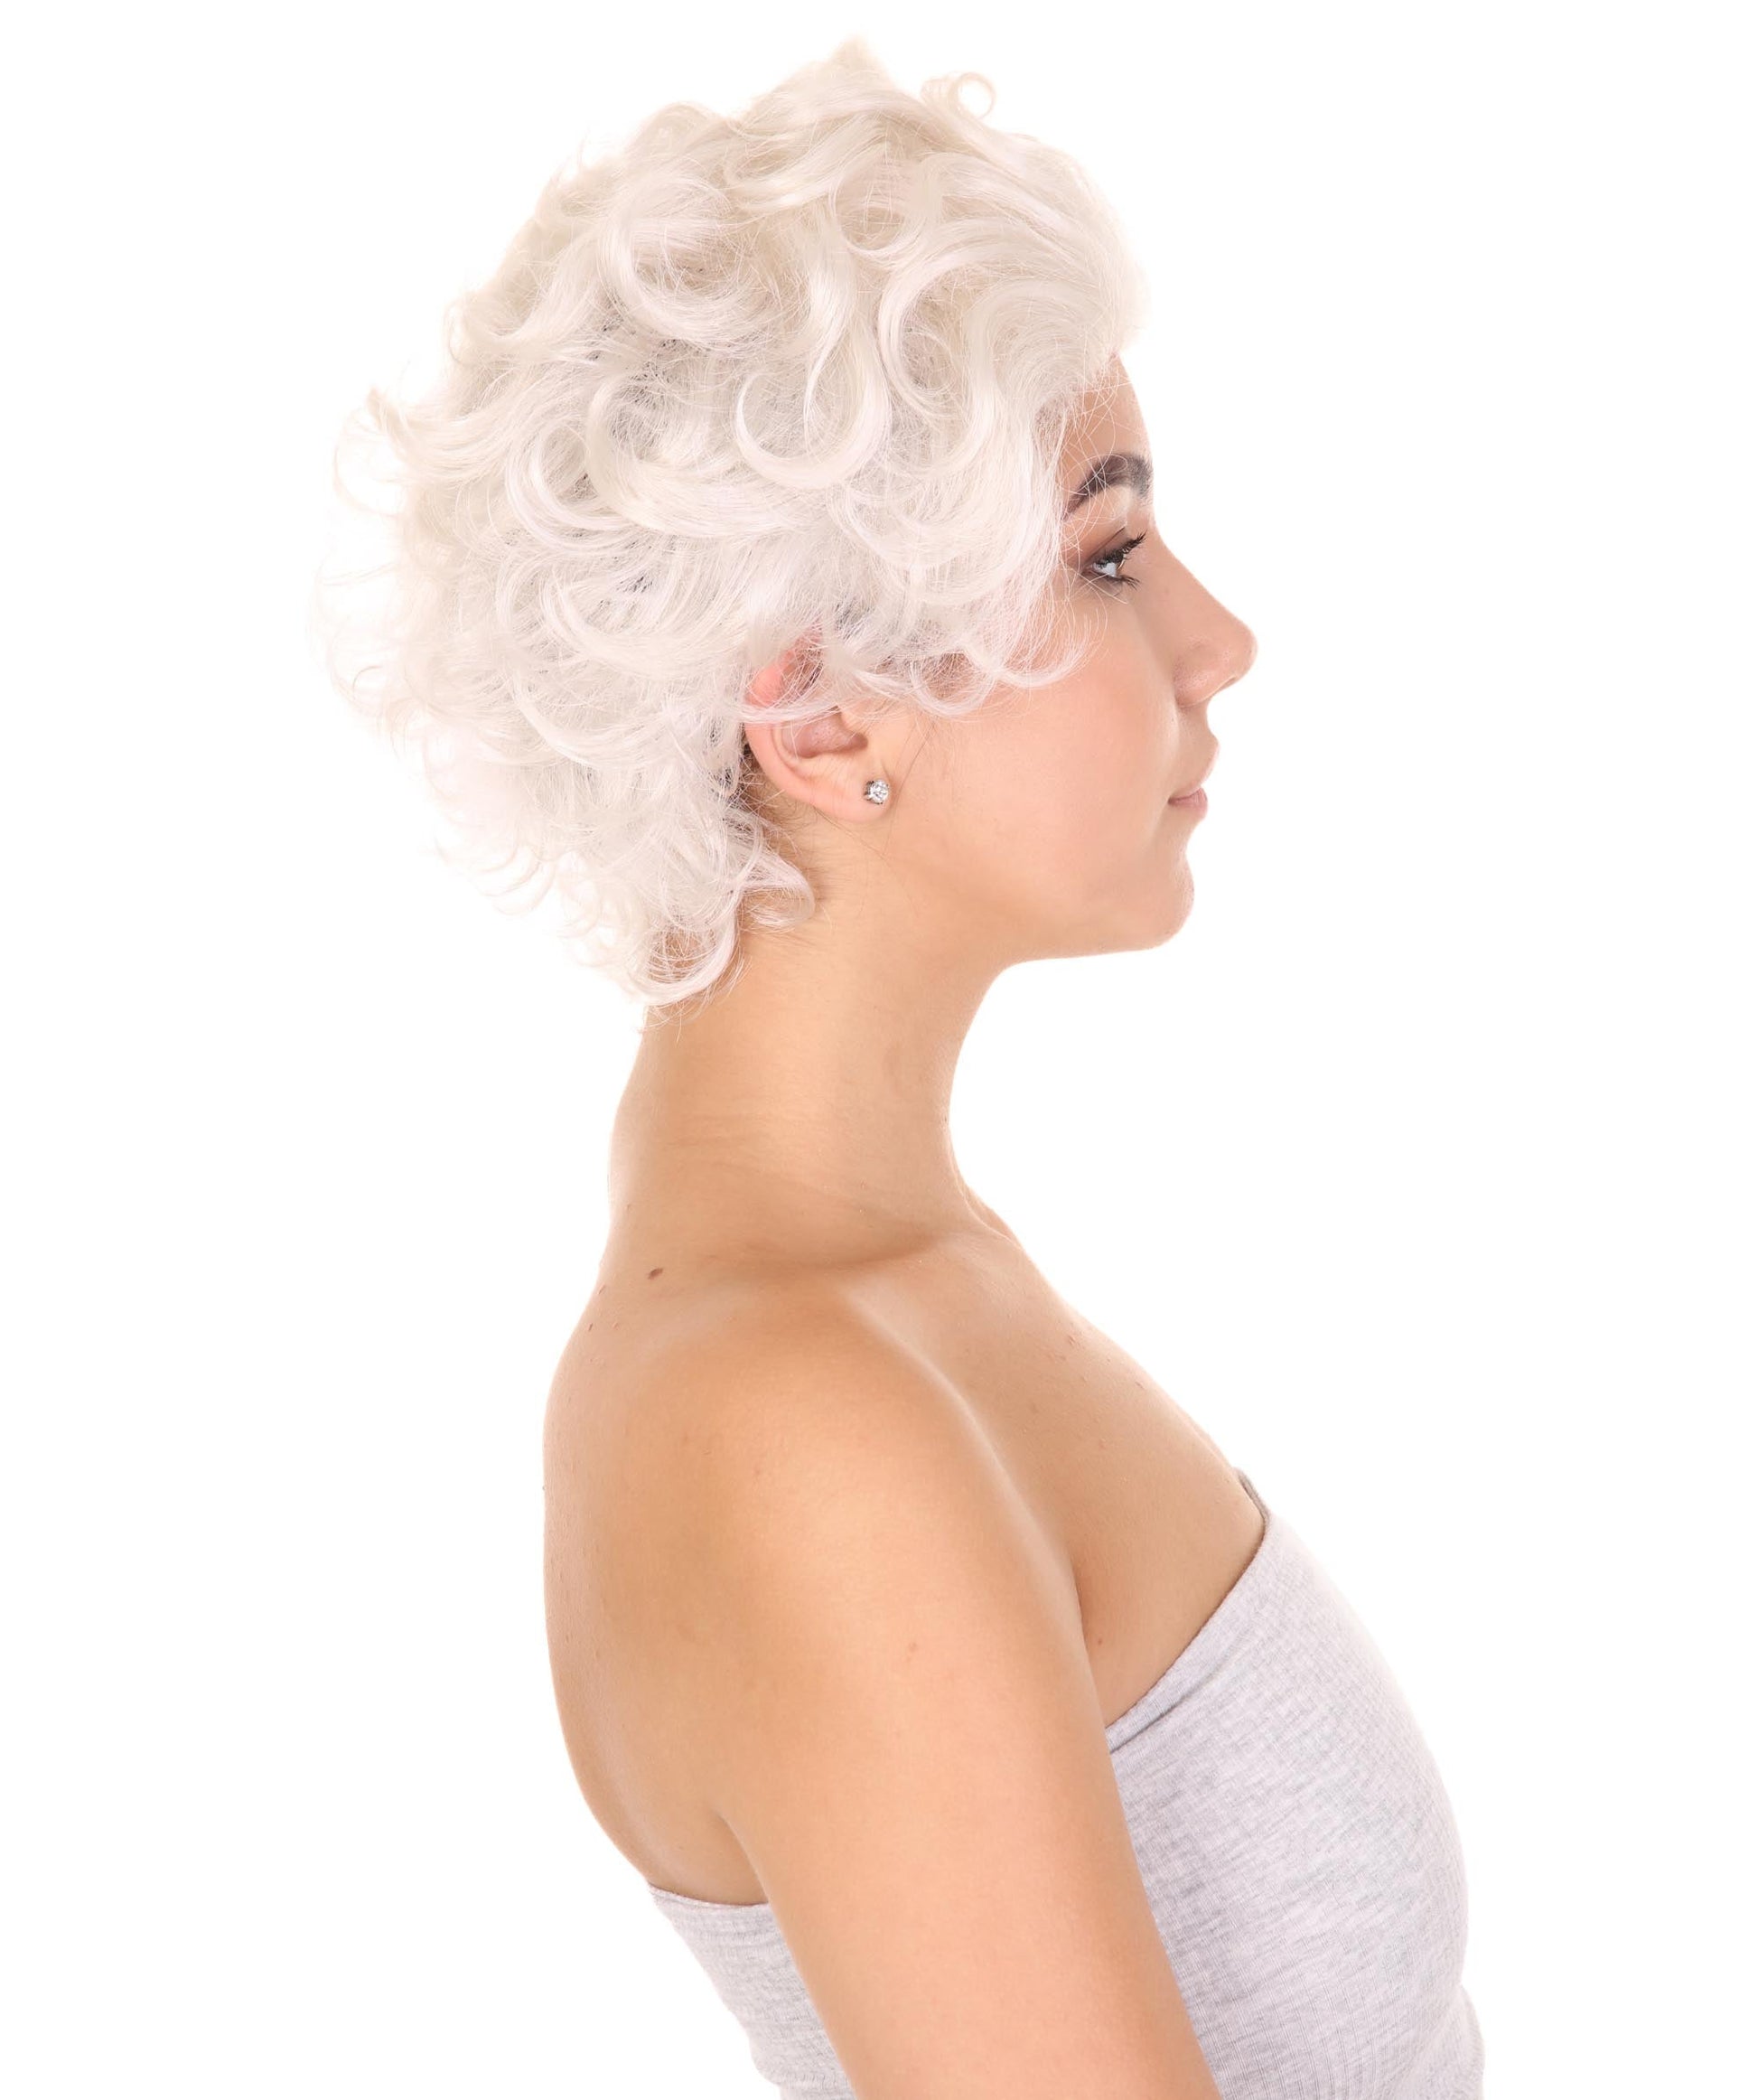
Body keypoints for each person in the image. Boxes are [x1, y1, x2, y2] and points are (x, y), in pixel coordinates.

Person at [317, 36, 1485, 2100]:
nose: (1216, 638)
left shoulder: (903, 1289)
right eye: (1107, 554)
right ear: (825, 715)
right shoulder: (796, 1426)